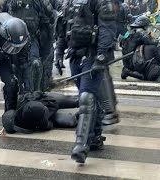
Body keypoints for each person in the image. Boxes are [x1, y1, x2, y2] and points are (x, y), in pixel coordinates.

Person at [55, 0, 117, 163]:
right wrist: (59, 54)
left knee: (86, 98)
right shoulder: (68, 3)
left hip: (93, 55)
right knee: (91, 98)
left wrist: (101, 56)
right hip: (75, 56)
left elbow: (107, 29)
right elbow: (63, 29)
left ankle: (81, 144)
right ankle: (95, 136)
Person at [0, 0, 56, 91]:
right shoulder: (9, 2)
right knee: (14, 70)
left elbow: (49, 21)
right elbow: (1, 18)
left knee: (35, 65)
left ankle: (35, 93)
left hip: (31, 39)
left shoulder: (39, 3)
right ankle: (19, 93)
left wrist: (45, 49)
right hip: (11, 40)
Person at [2, 91, 78, 134]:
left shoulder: (22, 101)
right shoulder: (33, 120)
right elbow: (48, 125)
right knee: (70, 120)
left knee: (74, 101)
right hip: (48, 114)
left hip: (48, 99)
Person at [120, 15, 159, 80]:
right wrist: (153, 37)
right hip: (133, 60)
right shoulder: (140, 32)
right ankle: (128, 72)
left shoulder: (128, 31)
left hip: (125, 59)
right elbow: (151, 42)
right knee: (144, 77)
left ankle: (127, 70)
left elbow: (121, 43)